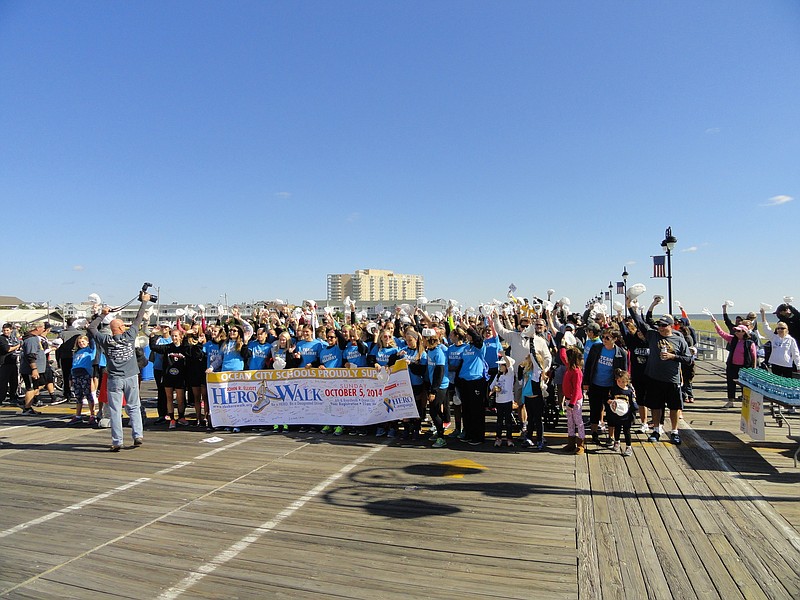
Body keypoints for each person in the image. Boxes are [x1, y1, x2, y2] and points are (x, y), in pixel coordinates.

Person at [88, 292, 150, 451]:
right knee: (134, 406)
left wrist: (102, 315)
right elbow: (138, 318)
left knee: (115, 410)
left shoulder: (105, 340)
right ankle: (138, 435)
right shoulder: (129, 336)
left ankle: (117, 441)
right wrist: (144, 302)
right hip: (131, 377)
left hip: (114, 378)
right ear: (122, 328)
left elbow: (92, 328)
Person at [627, 298, 691, 445]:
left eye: (663, 325)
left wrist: (672, 356)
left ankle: (674, 432)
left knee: (674, 407)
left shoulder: (679, 339)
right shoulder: (653, 335)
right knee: (656, 406)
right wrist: (630, 307)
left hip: (672, 379)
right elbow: (640, 323)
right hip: (654, 378)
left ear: (671, 326)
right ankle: (656, 429)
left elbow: (688, 359)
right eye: (659, 325)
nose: (660, 328)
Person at [583, 328, 628, 446]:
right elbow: (588, 365)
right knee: (595, 410)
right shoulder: (596, 348)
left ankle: (611, 436)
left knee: (611, 412)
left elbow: (624, 372)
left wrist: (622, 387)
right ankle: (594, 433)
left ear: (615, 339)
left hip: (610, 387)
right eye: (603, 337)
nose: (604, 339)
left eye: (607, 338)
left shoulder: (620, 353)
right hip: (595, 384)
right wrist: (586, 382)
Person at [710, 315, 757, 409]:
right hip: (732, 366)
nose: (736, 332)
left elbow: (754, 356)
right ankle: (731, 401)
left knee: (745, 385)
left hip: (745, 367)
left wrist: (754, 368)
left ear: (744, 332)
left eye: (739, 331)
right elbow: (722, 333)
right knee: (731, 383)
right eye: (736, 331)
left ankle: (746, 402)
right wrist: (715, 323)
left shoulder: (750, 343)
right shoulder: (732, 339)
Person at [760, 308, 800, 378]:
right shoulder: (774, 337)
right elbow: (766, 328)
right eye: (778, 328)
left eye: (782, 328)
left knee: (786, 384)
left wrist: (798, 366)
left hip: (787, 365)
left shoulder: (791, 340)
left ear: (786, 329)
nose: (780, 330)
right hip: (775, 364)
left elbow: (795, 353)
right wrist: (763, 314)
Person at [67, 335, 97, 426]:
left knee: (88, 395)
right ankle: (78, 416)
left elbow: (93, 342)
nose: (81, 344)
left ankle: (93, 415)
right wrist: (71, 376)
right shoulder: (77, 352)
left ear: (87, 342)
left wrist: (90, 331)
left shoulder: (90, 350)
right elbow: (74, 364)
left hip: (85, 373)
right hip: (76, 374)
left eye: (83, 342)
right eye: (79, 342)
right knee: (78, 396)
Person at [19, 322, 47, 415]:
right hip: (30, 369)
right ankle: (27, 408)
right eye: (43, 327)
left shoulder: (34, 338)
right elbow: (31, 355)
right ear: (37, 328)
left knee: (40, 385)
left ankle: (27, 402)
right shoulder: (31, 339)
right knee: (30, 388)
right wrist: (34, 369)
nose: (44, 329)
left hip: (37, 369)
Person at [561, 346, 585, 455]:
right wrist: (562, 346)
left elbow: (577, 388)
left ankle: (581, 444)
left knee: (578, 421)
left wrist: (572, 403)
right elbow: (562, 356)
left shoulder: (576, 372)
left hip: (575, 401)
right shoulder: (569, 368)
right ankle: (571, 442)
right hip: (568, 399)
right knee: (570, 421)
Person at [607, 369, 637, 456]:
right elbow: (609, 398)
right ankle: (617, 441)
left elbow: (633, 403)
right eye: (619, 381)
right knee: (617, 429)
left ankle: (628, 447)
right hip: (616, 414)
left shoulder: (629, 392)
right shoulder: (614, 390)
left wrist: (634, 413)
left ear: (627, 382)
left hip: (627, 416)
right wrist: (610, 401)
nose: (620, 383)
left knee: (626, 431)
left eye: (623, 381)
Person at [490, 355, 516, 447]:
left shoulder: (509, 375)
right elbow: (492, 387)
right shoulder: (498, 376)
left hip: (508, 401)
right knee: (499, 421)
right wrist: (494, 389)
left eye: (502, 365)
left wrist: (504, 355)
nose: (500, 367)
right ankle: (498, 438)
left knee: (508, 421)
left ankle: (509, 438)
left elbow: (509, 365)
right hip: (499, 401)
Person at [0, 323, 21, 405]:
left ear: (11, 330)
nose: (6, 332)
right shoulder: (1, 338)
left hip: (13, 362)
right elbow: (7, 349)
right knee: (3, 382)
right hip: (4, 363)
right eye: (4, 330)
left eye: (8, 330)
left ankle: (13, 397)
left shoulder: (12, 338)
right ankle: (1, 398)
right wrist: (18, 346)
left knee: (14, 381)